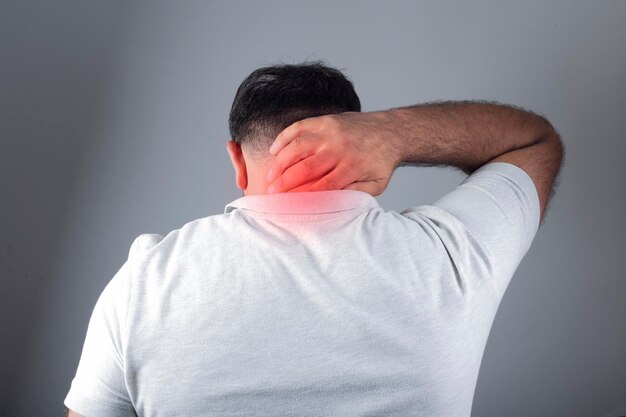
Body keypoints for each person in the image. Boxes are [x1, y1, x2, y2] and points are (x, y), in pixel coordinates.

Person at [64, 61, 564, 417]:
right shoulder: (449, 255)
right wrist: (393, 133)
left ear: (236, 160)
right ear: (361, 140)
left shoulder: (144, 283)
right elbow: (534, 141)